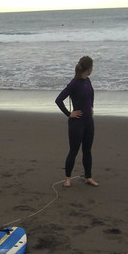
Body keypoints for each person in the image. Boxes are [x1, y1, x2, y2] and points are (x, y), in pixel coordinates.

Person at [55, 55, 99, 188]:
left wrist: (91, 107)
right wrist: (69, 114)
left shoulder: (88, 81)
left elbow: (91, 94)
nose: (92, 69)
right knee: (74, 150)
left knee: (87, 150)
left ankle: (88, 176)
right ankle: (67, 178)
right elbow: (58, 100)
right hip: (77, 122)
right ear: (88, 69)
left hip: (88, 121)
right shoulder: (74, 83)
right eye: (92, 67)